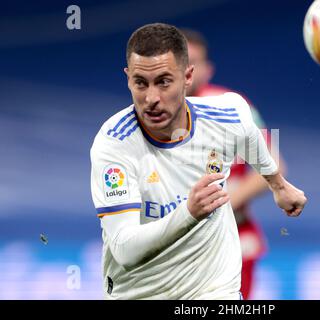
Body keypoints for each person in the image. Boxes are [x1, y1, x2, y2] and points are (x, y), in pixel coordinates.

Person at [90, 23, 307, 300]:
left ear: (188, 75)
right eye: (141, 83)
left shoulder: (229, 111)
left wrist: (278, 185)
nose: (152, 98)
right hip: (141, 290)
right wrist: (189, 212)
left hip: (213, 289)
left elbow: (250, 136)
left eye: (164, 81)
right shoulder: (114, 145)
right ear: (128, 77)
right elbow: (125, 250)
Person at [182, 28, 285, 299]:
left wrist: (223, 203)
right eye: (182, 61)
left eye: (195, 62)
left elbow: (274, 166)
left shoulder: (233, 108)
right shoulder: (152, 113)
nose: (188, 69)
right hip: (176, 247)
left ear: (208, 69)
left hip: (233, 240)